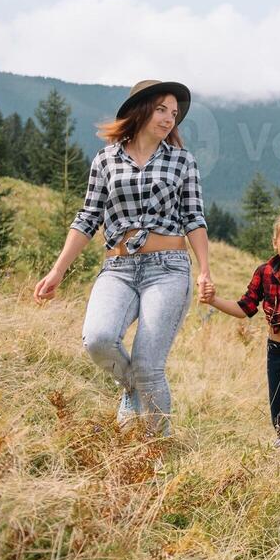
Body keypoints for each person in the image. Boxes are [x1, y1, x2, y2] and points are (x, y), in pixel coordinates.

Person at [33, 79, 213, 438]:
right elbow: (88, 218)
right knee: (98, 338)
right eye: (161, 109)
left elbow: (194, 217)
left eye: (174, 114)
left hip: (168, 269)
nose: (168, 118)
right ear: (141, 108)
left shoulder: (182, 161)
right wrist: (57, 271)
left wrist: (205, 270)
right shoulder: (106, 159)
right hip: (118, 268)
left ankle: (154, 449)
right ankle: (131, 388)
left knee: (149, 364)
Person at [201, 211, 280, 476]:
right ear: (275, 243)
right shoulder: (264, 273)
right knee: (278, 416)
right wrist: (213, 301)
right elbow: (244, 308)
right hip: (275, 353)